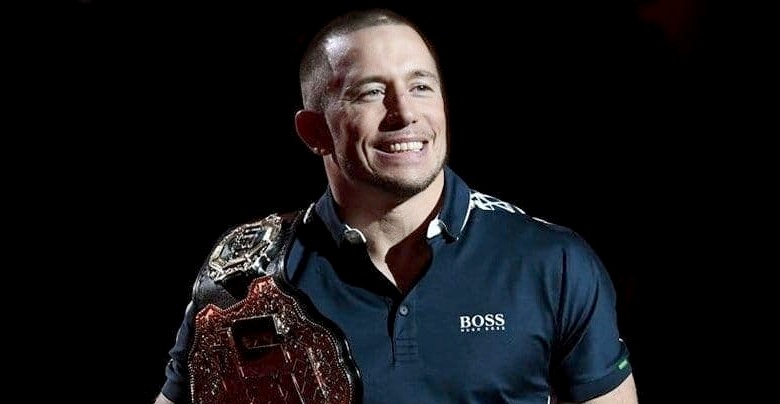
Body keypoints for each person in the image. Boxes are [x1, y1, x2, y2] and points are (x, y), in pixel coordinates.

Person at [154, 8, 638, 404]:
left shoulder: (550, 261)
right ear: (314, 131)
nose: (404, 113)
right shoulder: (246, 276)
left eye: (420, 86)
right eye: (370, 92)